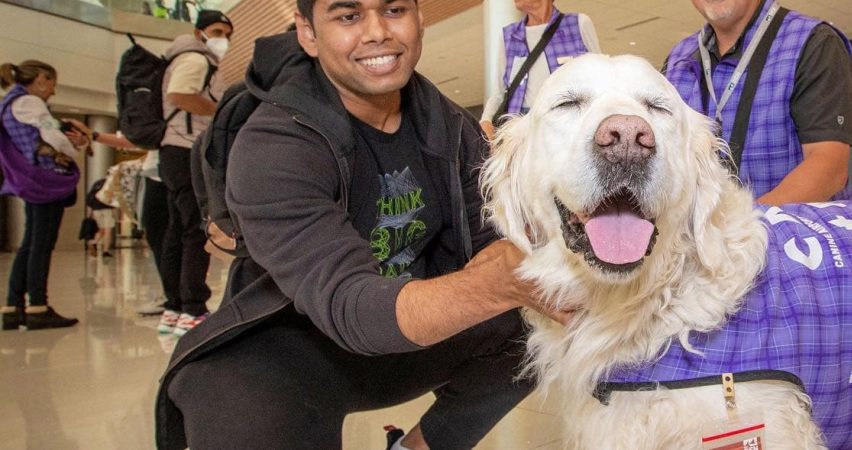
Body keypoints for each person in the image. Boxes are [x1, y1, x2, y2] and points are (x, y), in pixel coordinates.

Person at [154, 1, 570, 449]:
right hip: (288, 349)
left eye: (393, 9)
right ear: (308, 33)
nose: (377, 32)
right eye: (348, 16)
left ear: (418, 18)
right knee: (227, 396)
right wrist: (496, 285)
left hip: (408, 332)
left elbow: (488, 240)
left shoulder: (450, 127)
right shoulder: (273, 145)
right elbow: (351, 305)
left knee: (531, 330)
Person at [663, 0, 852, 205]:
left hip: (791, 232)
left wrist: (745, 226)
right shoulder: (677, 60)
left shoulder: (813, 42)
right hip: (696, 235)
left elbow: (829, 167)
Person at [155, 9, 233, 336]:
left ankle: (174, 306)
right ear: (199, 31)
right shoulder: (195, 59)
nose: (223, 40)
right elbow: (179, 96)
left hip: (170, 151)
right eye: (217, 31)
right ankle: (193, 308)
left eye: (228, 34)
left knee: (176, 229)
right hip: (186, 149)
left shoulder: (181, 58)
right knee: (194, 230)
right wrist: (222, 111)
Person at [0, 60, 87, 330]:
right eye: (51, 84)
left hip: (29, 178)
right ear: (40, 79)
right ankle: (38, 305)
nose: (53, 91)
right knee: (42, 243)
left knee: (29, 242)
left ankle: (13, 306)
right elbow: (54, 138)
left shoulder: (9, 103)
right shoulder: (30, 103)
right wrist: (73, 148)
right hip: (47, 179)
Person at [66, 119, 167, 314]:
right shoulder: (155, 114)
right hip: (155, 177)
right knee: (159, 239)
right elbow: (134, 140)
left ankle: (184, 300)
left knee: (175, 239)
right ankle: (172, 297)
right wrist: (93, 135)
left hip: (175, 176)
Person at [479, 0, 601, 139]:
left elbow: (600, 80)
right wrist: (486, 121)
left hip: (568, 126)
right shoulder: (509, 35)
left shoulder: (578, 24)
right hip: (520, 130)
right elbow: (500, 92)